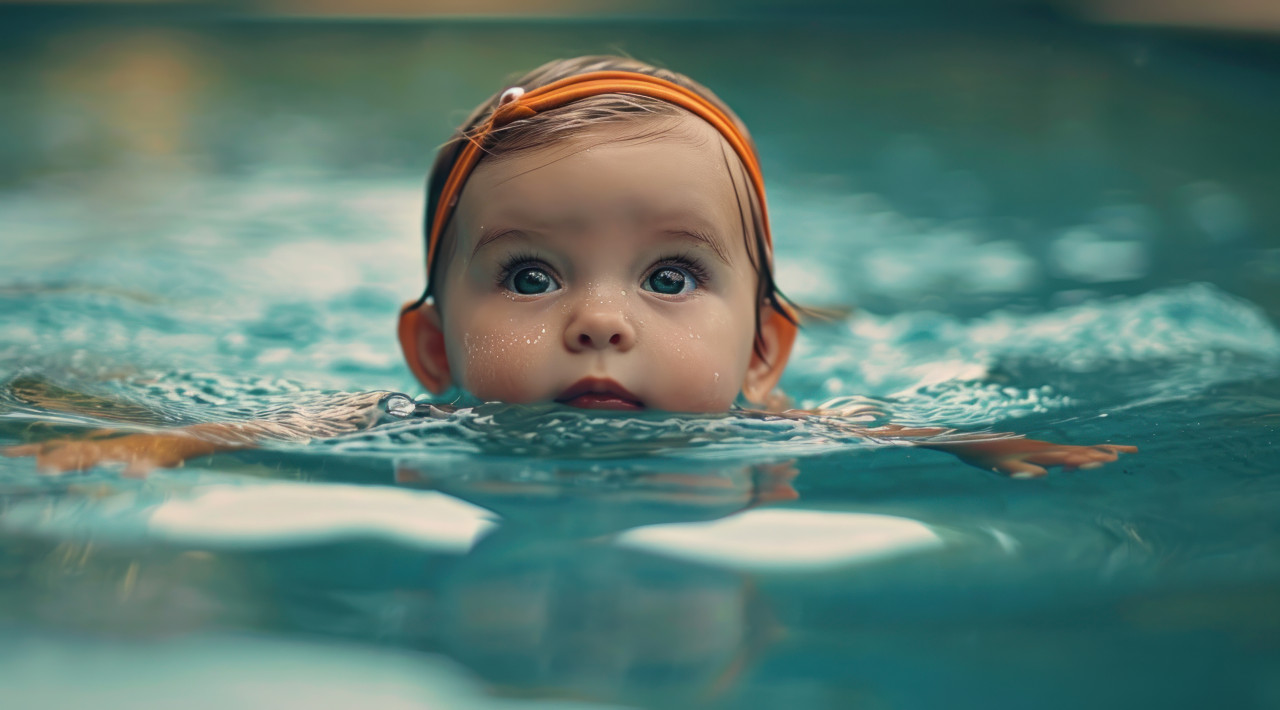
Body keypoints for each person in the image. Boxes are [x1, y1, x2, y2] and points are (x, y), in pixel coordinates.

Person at [3, 56, 1135, 478]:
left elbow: (891, 428)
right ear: (434, 346)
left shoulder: (786, 424)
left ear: (760, 351)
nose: (599, 320)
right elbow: (276, 425)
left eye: (670, 277)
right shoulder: (410, 414)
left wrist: (987, 443)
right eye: (531, 278)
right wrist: (155, 439)